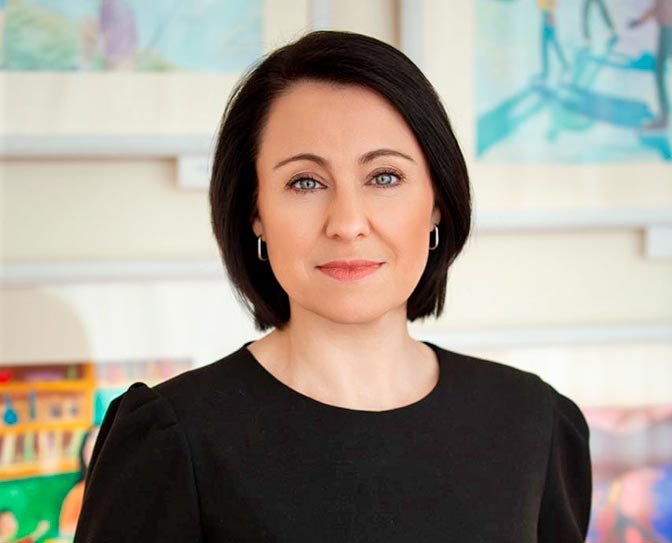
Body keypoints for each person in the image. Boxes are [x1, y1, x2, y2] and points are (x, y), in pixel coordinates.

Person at [73, 30, 592, 542]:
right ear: (256, 212)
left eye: (384, 177)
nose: (347, 223)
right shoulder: (171, 437)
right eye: (305, 182)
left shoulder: (535, 422)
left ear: (436, 202)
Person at [628, 0, 672, 131]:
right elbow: (658, 5)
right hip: (666, 26)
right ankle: (664, 116)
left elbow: (659, 5)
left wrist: (640, 21)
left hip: (668, 27)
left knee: (659, 71)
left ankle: (664, 117)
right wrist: (641, 21)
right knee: (659, 70)